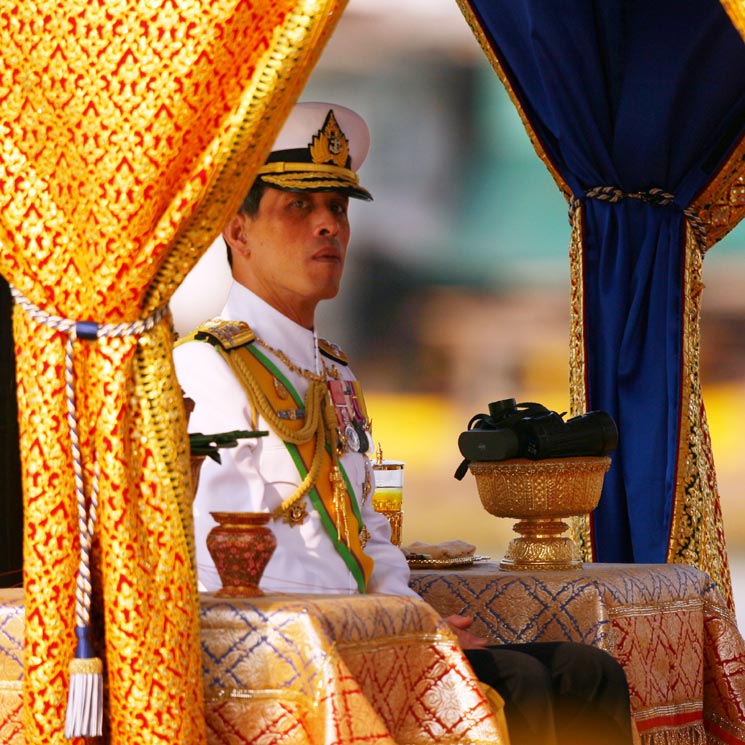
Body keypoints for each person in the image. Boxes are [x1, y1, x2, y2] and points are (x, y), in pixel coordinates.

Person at [174, 101, 634, 745]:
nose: (328, 227)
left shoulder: (332, 371)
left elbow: (368, 533)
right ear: (237, 229)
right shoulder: (206, 367)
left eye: (338, 209)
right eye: (299, 209)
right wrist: (397, 621)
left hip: (373, 634)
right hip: (303, 649)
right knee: (519, 684)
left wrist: (412, 613)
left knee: (589, 672)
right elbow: (229, 561)